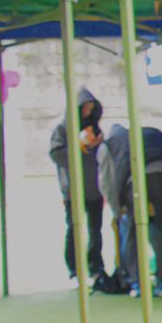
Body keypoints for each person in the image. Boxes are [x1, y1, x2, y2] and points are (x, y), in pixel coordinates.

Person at [98, 121, 162, 297]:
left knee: (132, 230)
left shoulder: (109, 145)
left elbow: (107, 181)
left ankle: (137, 282)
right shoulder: (152, 133)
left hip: (134, 180)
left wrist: (117, 209)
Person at [49, 86, 106, 284]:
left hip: (94, 187)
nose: (88, 112)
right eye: (85, 108)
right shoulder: (62, 129)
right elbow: (56, 154)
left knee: (96, 229)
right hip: (73, 189)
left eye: (91, 108)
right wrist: (79, 149)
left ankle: (95, 266)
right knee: (73, 228)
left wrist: (97, 145)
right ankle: (74, 269)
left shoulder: (96, 129)